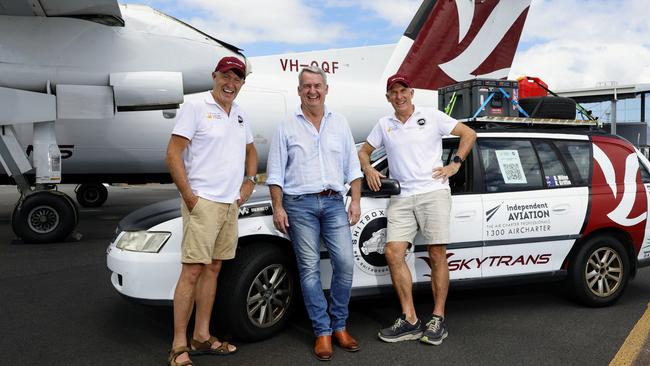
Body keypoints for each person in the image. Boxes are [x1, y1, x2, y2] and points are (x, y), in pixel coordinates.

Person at [358, 73, 476, 346]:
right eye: (393, 92)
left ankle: (437, 319)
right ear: (388, 97)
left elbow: (468, 133)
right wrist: (368, 168)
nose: (399, 96)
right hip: (401, 197)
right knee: (393, 252)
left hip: (433, 192)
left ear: (412, 93)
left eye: (403, 91)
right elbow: (364, 152)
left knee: (437, 254)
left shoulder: (431, 116)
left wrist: (455, 163)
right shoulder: (383, 124)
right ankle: (410, 320)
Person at [165, 56, 257, 366]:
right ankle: (179, 346)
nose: (231, 83)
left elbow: (250, 149)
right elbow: (173, 153)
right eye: (226, 76)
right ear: (214, 76)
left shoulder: (240, 114)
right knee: (192, 270)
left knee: (214, 268)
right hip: (203, 202)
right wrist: (190, 196)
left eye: (237, 78)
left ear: (242, 83)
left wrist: (249, 182)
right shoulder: (196, 107)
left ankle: (202, 337)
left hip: (229, 203)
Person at [266, 65, 362, 361]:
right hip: (299, 205)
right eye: (306, 86)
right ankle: (322, 331)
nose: (312, 90)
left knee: (345, 264)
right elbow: (275, 172)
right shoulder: (286, 125)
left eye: (317, 85)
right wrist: (278, 206)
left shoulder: (340, 122)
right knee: (309, 270)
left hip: (334, 203)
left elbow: (353, 168)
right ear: (299, 91)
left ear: (325, 89)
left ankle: (340, 326)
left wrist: (355, 201)